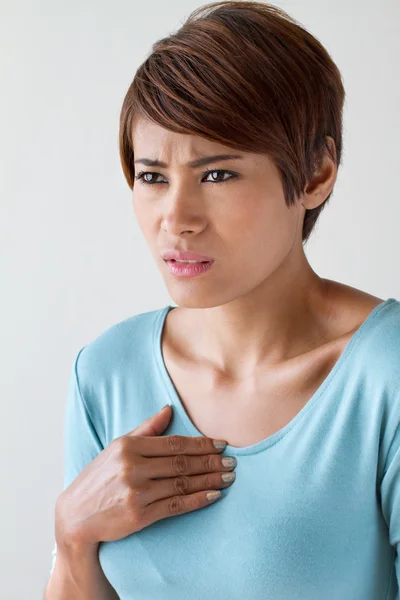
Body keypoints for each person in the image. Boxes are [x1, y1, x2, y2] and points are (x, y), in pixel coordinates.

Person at [45, 2, 400, 599]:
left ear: (316, 174)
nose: (175, 219)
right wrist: (72, 538)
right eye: (153, 176)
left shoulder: (385, 376)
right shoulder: (104, 374)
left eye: (217, 175)